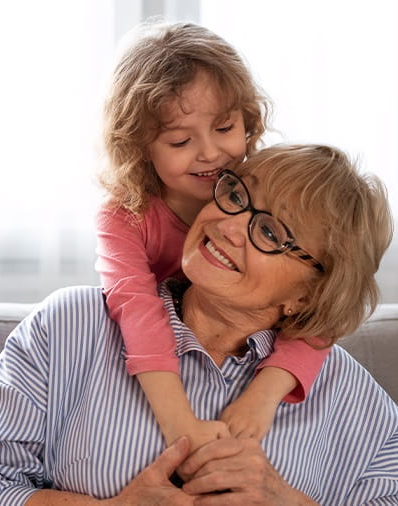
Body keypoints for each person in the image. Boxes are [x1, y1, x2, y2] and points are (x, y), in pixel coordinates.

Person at [0, 143, 398, 504]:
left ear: (309, 293)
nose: (230, 224)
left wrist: (284, 500)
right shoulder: (69, 328)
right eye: (237, 194)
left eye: (271, 232)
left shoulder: (357, 403)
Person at [95, 21, 329, 447]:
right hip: (170, 361)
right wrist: (179, 425)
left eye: (224, 128)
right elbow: (136, 310)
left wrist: (264, 394)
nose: (210, 153)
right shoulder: (125, 216)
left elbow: (325, 299)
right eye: (180, 141)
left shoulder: (255, 188)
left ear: (247, 119)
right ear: (138, 148)